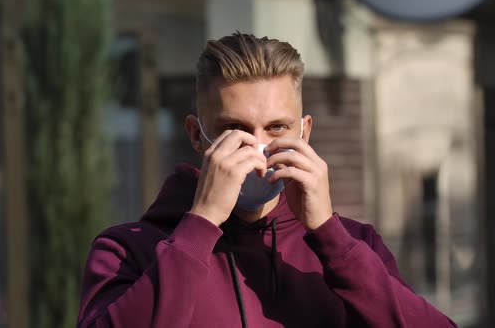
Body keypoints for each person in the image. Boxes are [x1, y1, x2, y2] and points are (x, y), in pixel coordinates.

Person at [77, 32, 457, 328]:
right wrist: (201, 224)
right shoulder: (128, 250)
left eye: (277, 127)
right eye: (235, 129)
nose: (258, 148)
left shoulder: (356, 246)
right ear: (196, 134)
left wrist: (330, 236)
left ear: (304, 132)